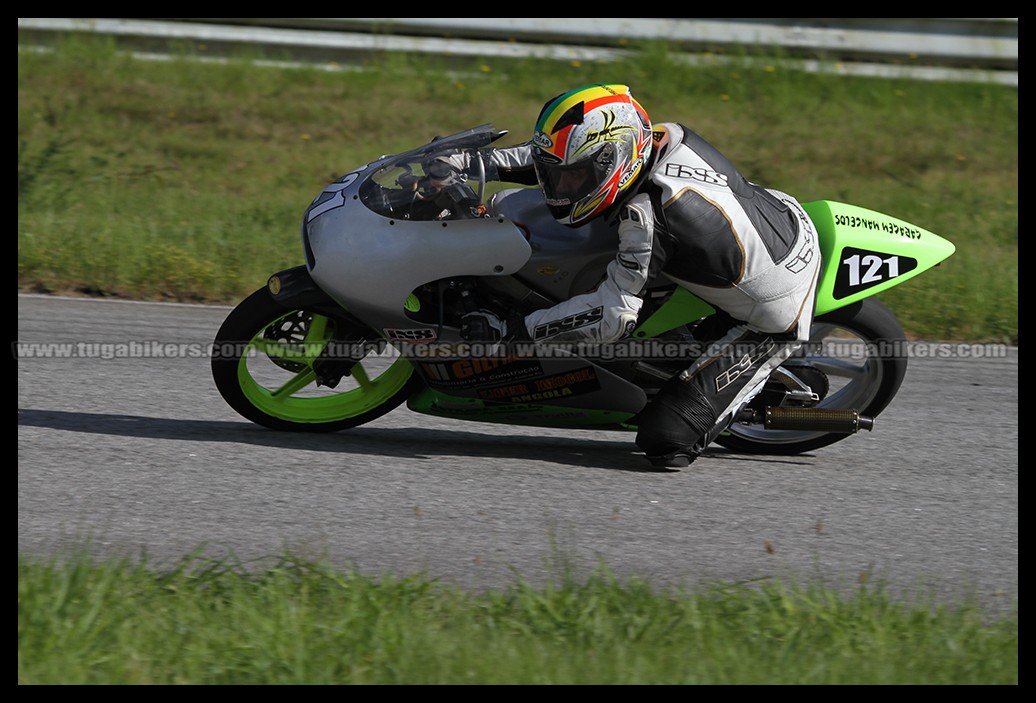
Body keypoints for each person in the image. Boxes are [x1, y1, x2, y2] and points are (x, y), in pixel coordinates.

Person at [460, 84, 821, 469]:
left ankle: (724, 401)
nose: (560, 190)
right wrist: (474, 163)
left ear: (615, 161)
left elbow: (613, 316)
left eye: (574, 178)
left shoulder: (648, 219)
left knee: (664, 443)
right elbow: (553, 158)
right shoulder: (659, 137)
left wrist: (516, 331)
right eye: (558, 177)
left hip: (774, 305)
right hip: (778, 217)